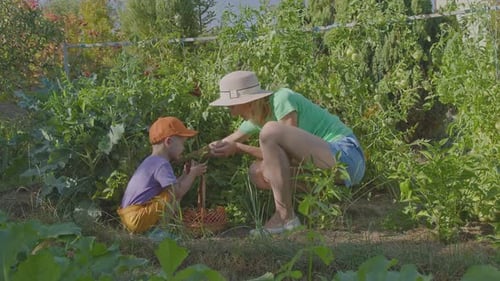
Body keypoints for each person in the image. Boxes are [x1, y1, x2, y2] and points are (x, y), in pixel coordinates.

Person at [208, 70, 365, 234]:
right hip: (325, 167)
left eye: (232, 106)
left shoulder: (281, 99)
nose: (232, 113)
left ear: (249, 101)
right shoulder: (257, 118)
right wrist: (190, 155)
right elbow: (227, 141)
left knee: (269, 131)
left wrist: (240, 148)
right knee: (257, 172)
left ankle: (284, 216)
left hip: (346, 155)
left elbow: (286, 155)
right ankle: (319, 206)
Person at [118, 116, 207, 234]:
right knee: (172, 196)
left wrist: (185, 175)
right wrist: (193, 174)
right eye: (182, 143)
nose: (184, 148)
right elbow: (177, 192)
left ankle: (158, 231)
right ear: (169, 142)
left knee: (171, 191)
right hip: (137, 218)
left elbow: (174, 186)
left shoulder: (153, 161)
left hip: (130, 216)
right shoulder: (162, 164)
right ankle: (160, 233)